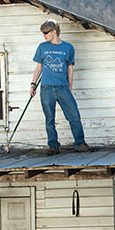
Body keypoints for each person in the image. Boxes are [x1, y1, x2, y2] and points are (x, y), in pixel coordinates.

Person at [31, 19, 89, 155]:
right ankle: (53, 145)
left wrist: (70, 87)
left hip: (62, 88)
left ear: (54, 31)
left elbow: (70, 69)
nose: (44, 35)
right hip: (46, 88)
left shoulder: (68, 48)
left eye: (46, 32)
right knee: (49, 118)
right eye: (42, 33)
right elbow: (38, 67)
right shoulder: (42, 47)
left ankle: (80, 143)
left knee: (74, 115)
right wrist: (33, 84)